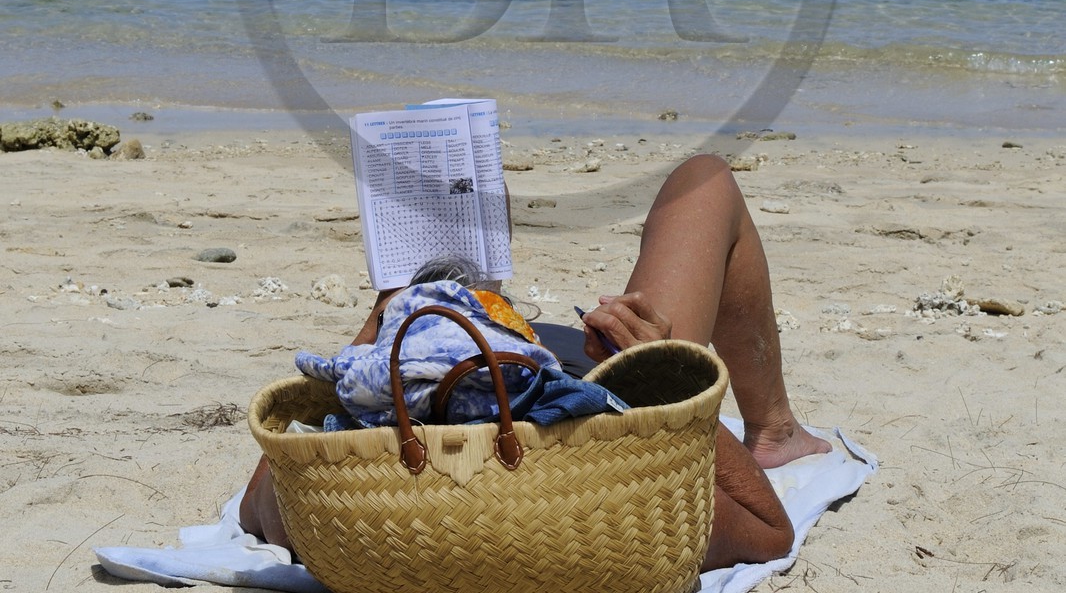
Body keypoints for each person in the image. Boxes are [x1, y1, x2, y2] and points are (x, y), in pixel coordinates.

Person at [240, 152, 830, 571]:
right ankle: (774, 430)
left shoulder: (348, 520)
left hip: (457, 379)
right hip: (580, 385)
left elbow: (263, 496)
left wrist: (375, 344)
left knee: (422, 285)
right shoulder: (617, 520)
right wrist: (655, 375)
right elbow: (768, 530)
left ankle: (424, 312)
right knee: (705, 181)